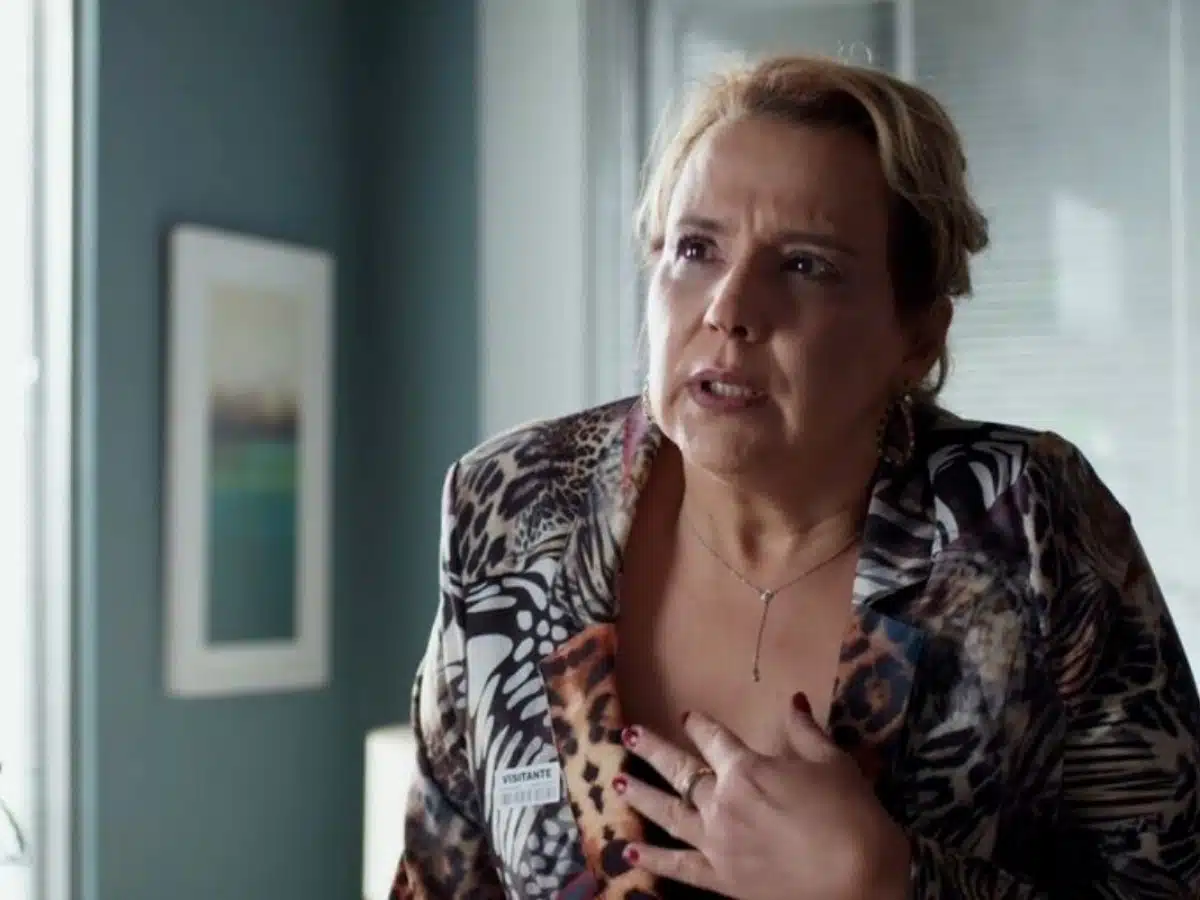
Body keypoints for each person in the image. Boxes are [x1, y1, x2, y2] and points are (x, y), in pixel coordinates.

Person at [389, 54, 1200, 900]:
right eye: (695, 249)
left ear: (918, 336)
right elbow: (437, 881)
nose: (729, 309)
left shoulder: (1023, 519)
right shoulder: (513, 505)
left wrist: (889, 881)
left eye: (807, 265)